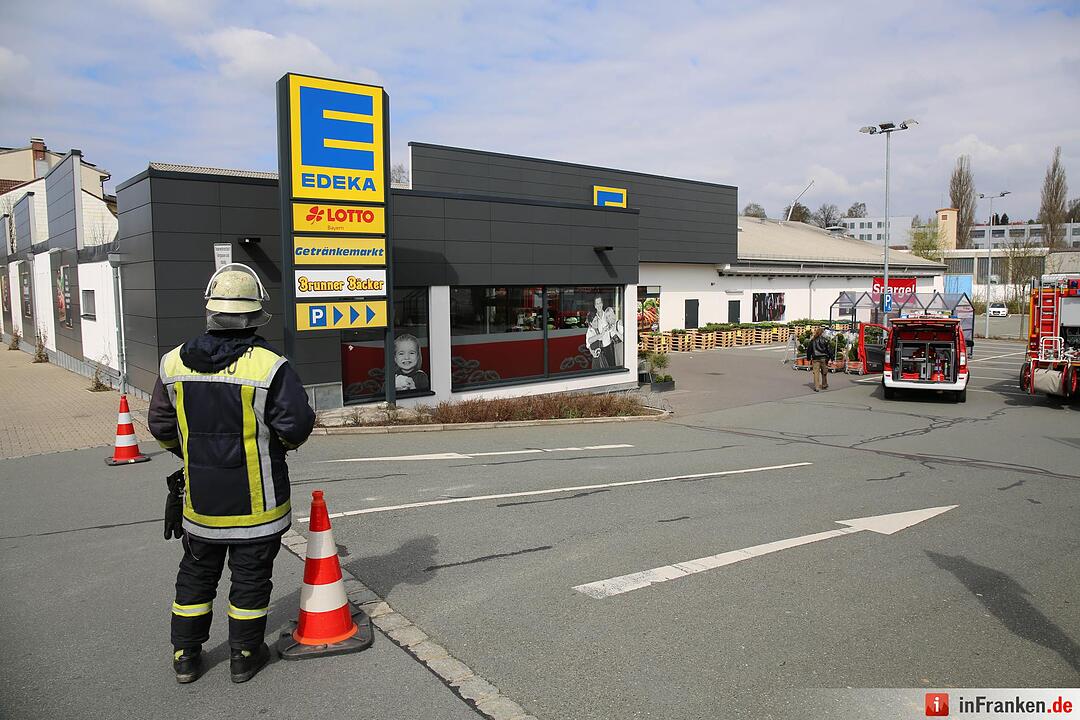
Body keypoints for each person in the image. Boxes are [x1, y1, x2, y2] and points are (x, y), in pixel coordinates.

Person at [149, 263, 315, 685]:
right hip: (258, 504)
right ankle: (243, 655)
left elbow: (161, 426)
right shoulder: (270, 367)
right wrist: (277, 446)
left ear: (210, 310)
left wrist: (190, 452)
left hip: (201, 503)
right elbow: (296, 426)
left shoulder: (172, 363)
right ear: (256, 314)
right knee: (251, 578)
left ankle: (186, 656)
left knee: (196, 574)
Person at [585, 296, 622, 369]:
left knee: (612, 368)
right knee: (601, 370)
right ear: (595, 306)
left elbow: (615, 323)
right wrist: (591, 351)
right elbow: (588, 339)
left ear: (602, 304)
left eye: (600, 303)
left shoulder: (607, 315)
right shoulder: (594, 318)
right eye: (597, 303)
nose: (599, 305)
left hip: (609, 347)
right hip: (599, 349)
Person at [807, 326, 831, 391]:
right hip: (824, 358)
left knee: (816, 373)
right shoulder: (825, 340)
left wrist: (808, 358)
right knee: (824, 372)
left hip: (815, 358)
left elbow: (809, 350)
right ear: (822, 333)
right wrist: (830, 357)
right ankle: (824, 385)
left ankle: (817, 387)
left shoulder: (813, 340)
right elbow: (829, 350)